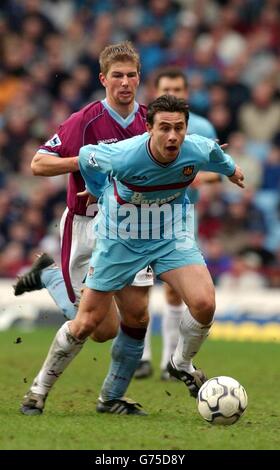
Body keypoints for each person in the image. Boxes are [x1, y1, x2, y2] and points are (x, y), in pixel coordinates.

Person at [20, 95, 245, 416]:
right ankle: (38, 390)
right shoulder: (124, 155)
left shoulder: (196, 147)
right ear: (148, 129)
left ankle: (180, 363)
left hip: (169, 233)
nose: (172, 136)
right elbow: (87, 158)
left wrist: (233, 170)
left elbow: (215, 156)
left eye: (179, 128)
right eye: (164, 128)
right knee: (89, 324)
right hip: (121, 237)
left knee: (203, 303)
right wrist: (98, 190)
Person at [17, 42, 154, 416]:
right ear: (103, 79)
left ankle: (110, 399)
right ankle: (37, 390)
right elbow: (38, 164)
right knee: (97, 327)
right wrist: (82, 160)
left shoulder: (149, 120)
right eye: (117, 76)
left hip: (131, 228)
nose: (125, 83)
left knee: (138, 316)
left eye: (131, 75)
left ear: (139, 78)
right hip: (86, 228)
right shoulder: (85, 121)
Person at [134, 68, 220, 380]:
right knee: (138, 287)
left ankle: (170, 362)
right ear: (155, 92)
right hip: (143, 216)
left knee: (175, 292)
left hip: (180, 218)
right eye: (168, 88)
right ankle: (141, 358)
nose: (175, 92)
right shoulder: (144, 124)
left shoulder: (201, 127)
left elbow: (216, 172)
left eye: (180, 88)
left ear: (187, 92)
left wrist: (184, 176)